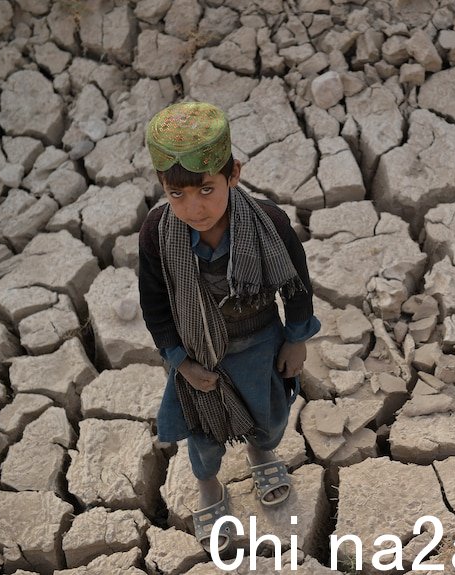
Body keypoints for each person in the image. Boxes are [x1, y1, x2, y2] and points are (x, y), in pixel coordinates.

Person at [137, 101, 321, 553]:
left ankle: (261, 452)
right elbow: (155, 305)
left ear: (232, 174)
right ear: (162, 187)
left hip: (261, 343)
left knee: (270, 414)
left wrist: (296, 341)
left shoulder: (268, 223)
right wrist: (180, 363)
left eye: (205, 189)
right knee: (203, 434)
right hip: (201, 355)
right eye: (175, 194)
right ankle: (210, 488)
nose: (193, 207)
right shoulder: (158, 234)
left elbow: (296, 287)